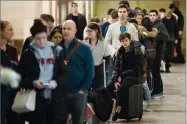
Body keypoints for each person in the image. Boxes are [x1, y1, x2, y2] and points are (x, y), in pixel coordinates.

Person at [18, 19, 62, 124]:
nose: (41, 41)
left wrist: (56, 82)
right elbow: (20, 77)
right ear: (32, 38)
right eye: (38, 39)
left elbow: (63, 73)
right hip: (36, 98)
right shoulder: (28, 54)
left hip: (54, 97)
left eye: (44, 38)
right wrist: (32, 82)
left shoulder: (56, 50)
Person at [53, 20, 94, 124]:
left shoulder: (84, 48)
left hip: (78, 93)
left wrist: (83, 89)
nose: (66, 31)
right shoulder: (56, 48)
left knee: (78, 121)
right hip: (60, 93)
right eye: (64, 28)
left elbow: (90, 71)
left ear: (75, 30)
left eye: (69, 29)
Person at [111, 32, 146, 121]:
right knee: (109, 88)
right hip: (123, 77)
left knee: (122, 88)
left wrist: (122, 75)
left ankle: (118, 110)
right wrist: (115, 80)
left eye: (126, 40)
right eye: (122, 41)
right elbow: (116, 67)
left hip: (135, 76)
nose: (124, 43)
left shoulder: (137, 51)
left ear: (130, 40)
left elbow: (138, 68)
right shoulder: (120, 52)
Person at [0, 20, 22, 124]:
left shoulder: (13, 50)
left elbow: (17, 68)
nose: (12, 32)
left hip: (11, 91)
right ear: (1, 32)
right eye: (10, 30)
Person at [83, 23, 115, 90]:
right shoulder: (84, 42)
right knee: (86, 90)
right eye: (87, 31)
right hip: (86, 70)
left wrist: (104, 69)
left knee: (98, 91)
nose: (88, 33)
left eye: (90, 31)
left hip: (98, 70)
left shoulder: (103, 43)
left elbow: (108, 57)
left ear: (96, 31)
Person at [149, 9, 169, 98]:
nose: (152, 17)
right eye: (151, 15)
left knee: (155, 70)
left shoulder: (160, 24)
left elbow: (166, 36)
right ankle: (157, 91)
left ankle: (158, 91)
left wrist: (155, 36)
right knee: (154, 71)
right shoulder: (151, 25)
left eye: (154, 15)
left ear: (157, 16)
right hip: (153, 51)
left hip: (158, 51)